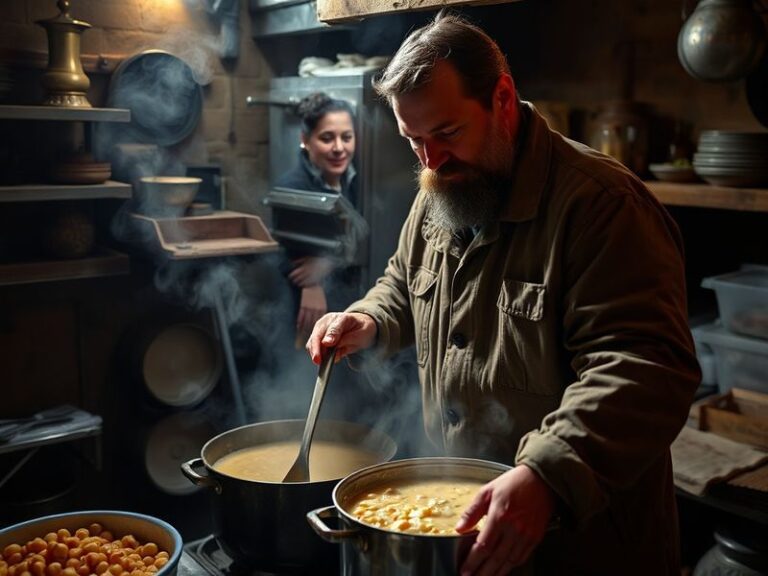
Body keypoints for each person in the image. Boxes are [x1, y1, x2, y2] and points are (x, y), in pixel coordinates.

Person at [306, 11, 701, 576]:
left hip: (585, 544)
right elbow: (402, 281)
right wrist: (368, 319)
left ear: (503, 98)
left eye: (446, 133)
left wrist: (547, 474)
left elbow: (645, 367)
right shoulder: (439, 185)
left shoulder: (603, 207)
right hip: (465, 525)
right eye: (412, 140)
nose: (429, 160)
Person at [274, 92, 360, 342]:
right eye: (326, 138)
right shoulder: (291, 189)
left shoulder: (359, 182)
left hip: (356, 302)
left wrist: (328, 262)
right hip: (306, 312)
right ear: (305, 140)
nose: (339, 148)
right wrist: (312, 284)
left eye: (347, 137)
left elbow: (367, 233)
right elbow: (282, 254)